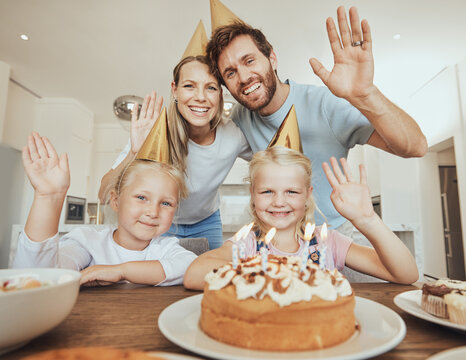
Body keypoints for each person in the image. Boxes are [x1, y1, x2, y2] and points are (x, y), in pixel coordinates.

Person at [205, 6, 428, 235]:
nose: (243, 77)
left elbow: (416, 147)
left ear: (272, 57)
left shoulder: (326, 105)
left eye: (250, 60)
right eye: (230, 73)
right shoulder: (239, 120)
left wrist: (366, 94)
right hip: (280, 238)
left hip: (337, 232)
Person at [183, 146, 419, 290]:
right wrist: (268, 273)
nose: (279, 201)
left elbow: (406, 274)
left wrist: (368, 219)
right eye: (267, 191)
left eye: (292, 192)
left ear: (307, 196)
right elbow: (194, 276)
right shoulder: (247, 244)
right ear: (253, 195)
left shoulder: (327, 242)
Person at [99, 56, 251, 250]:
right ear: (175, 90)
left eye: (211, 88)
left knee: (210, 275)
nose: (201, 97)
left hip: (207, 221)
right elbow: (103, 194)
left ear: (220, 94)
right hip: (159, 220)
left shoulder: (233, 136)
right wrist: (135, 153)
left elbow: (274, 159)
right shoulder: (154, 132)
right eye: (189, 86)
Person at [13, 132, 197, 286]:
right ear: (116, 201)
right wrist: (48, 199)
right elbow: (37, 275)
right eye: (142, 198)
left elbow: (191, 268)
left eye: (166, 203)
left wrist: (121, 271)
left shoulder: (165, 248)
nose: (153, 212)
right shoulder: (87, 242)